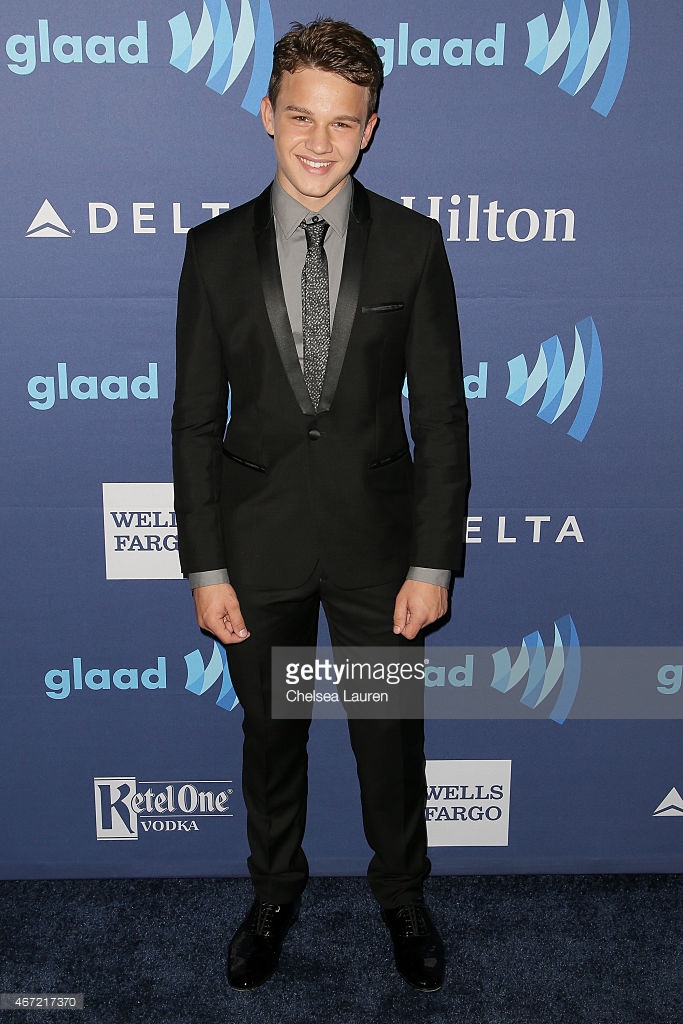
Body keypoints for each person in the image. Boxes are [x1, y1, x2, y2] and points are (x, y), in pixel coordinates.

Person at [172, 18, 469, 993]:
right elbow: (191, 422)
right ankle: (272, 892)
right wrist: (206, 566)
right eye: (299, 115)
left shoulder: (413, 247)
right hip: (257, 557)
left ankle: (400, 895)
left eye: (341, 123)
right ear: (266, 114)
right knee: (272, 740)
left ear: (370, 128)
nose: (317, 141)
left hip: (375, 557)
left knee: (386, 741)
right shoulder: (212, 252)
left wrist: (431, 562)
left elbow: (439, 414)